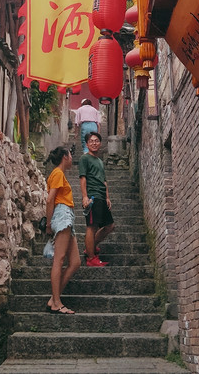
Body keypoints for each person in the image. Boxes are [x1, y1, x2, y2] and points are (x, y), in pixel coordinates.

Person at [45, 146, 81, 313]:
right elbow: (50, 199)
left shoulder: (58, 174)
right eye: (70, 155)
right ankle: (57, 303)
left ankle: (54, 298)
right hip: (62, 215)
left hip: (66, 216)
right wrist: (49, 224)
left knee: (75, 262)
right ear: (65, 157)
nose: (72, 158)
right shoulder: (58, 173)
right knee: (59, 260)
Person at [79, 132, 115, 267]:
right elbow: (83, 178)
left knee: (110, 226)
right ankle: (91, 258)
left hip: (101, 197)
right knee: (92, 226)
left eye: (96, 141)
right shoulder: (85, 158)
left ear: (100, 143)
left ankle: (90, 247)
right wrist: (84, 197)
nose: (94, 143)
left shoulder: (100, 161)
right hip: (92, 197)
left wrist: (107, 197)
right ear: (87, 144)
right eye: (91, 141)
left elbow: (104, 180)